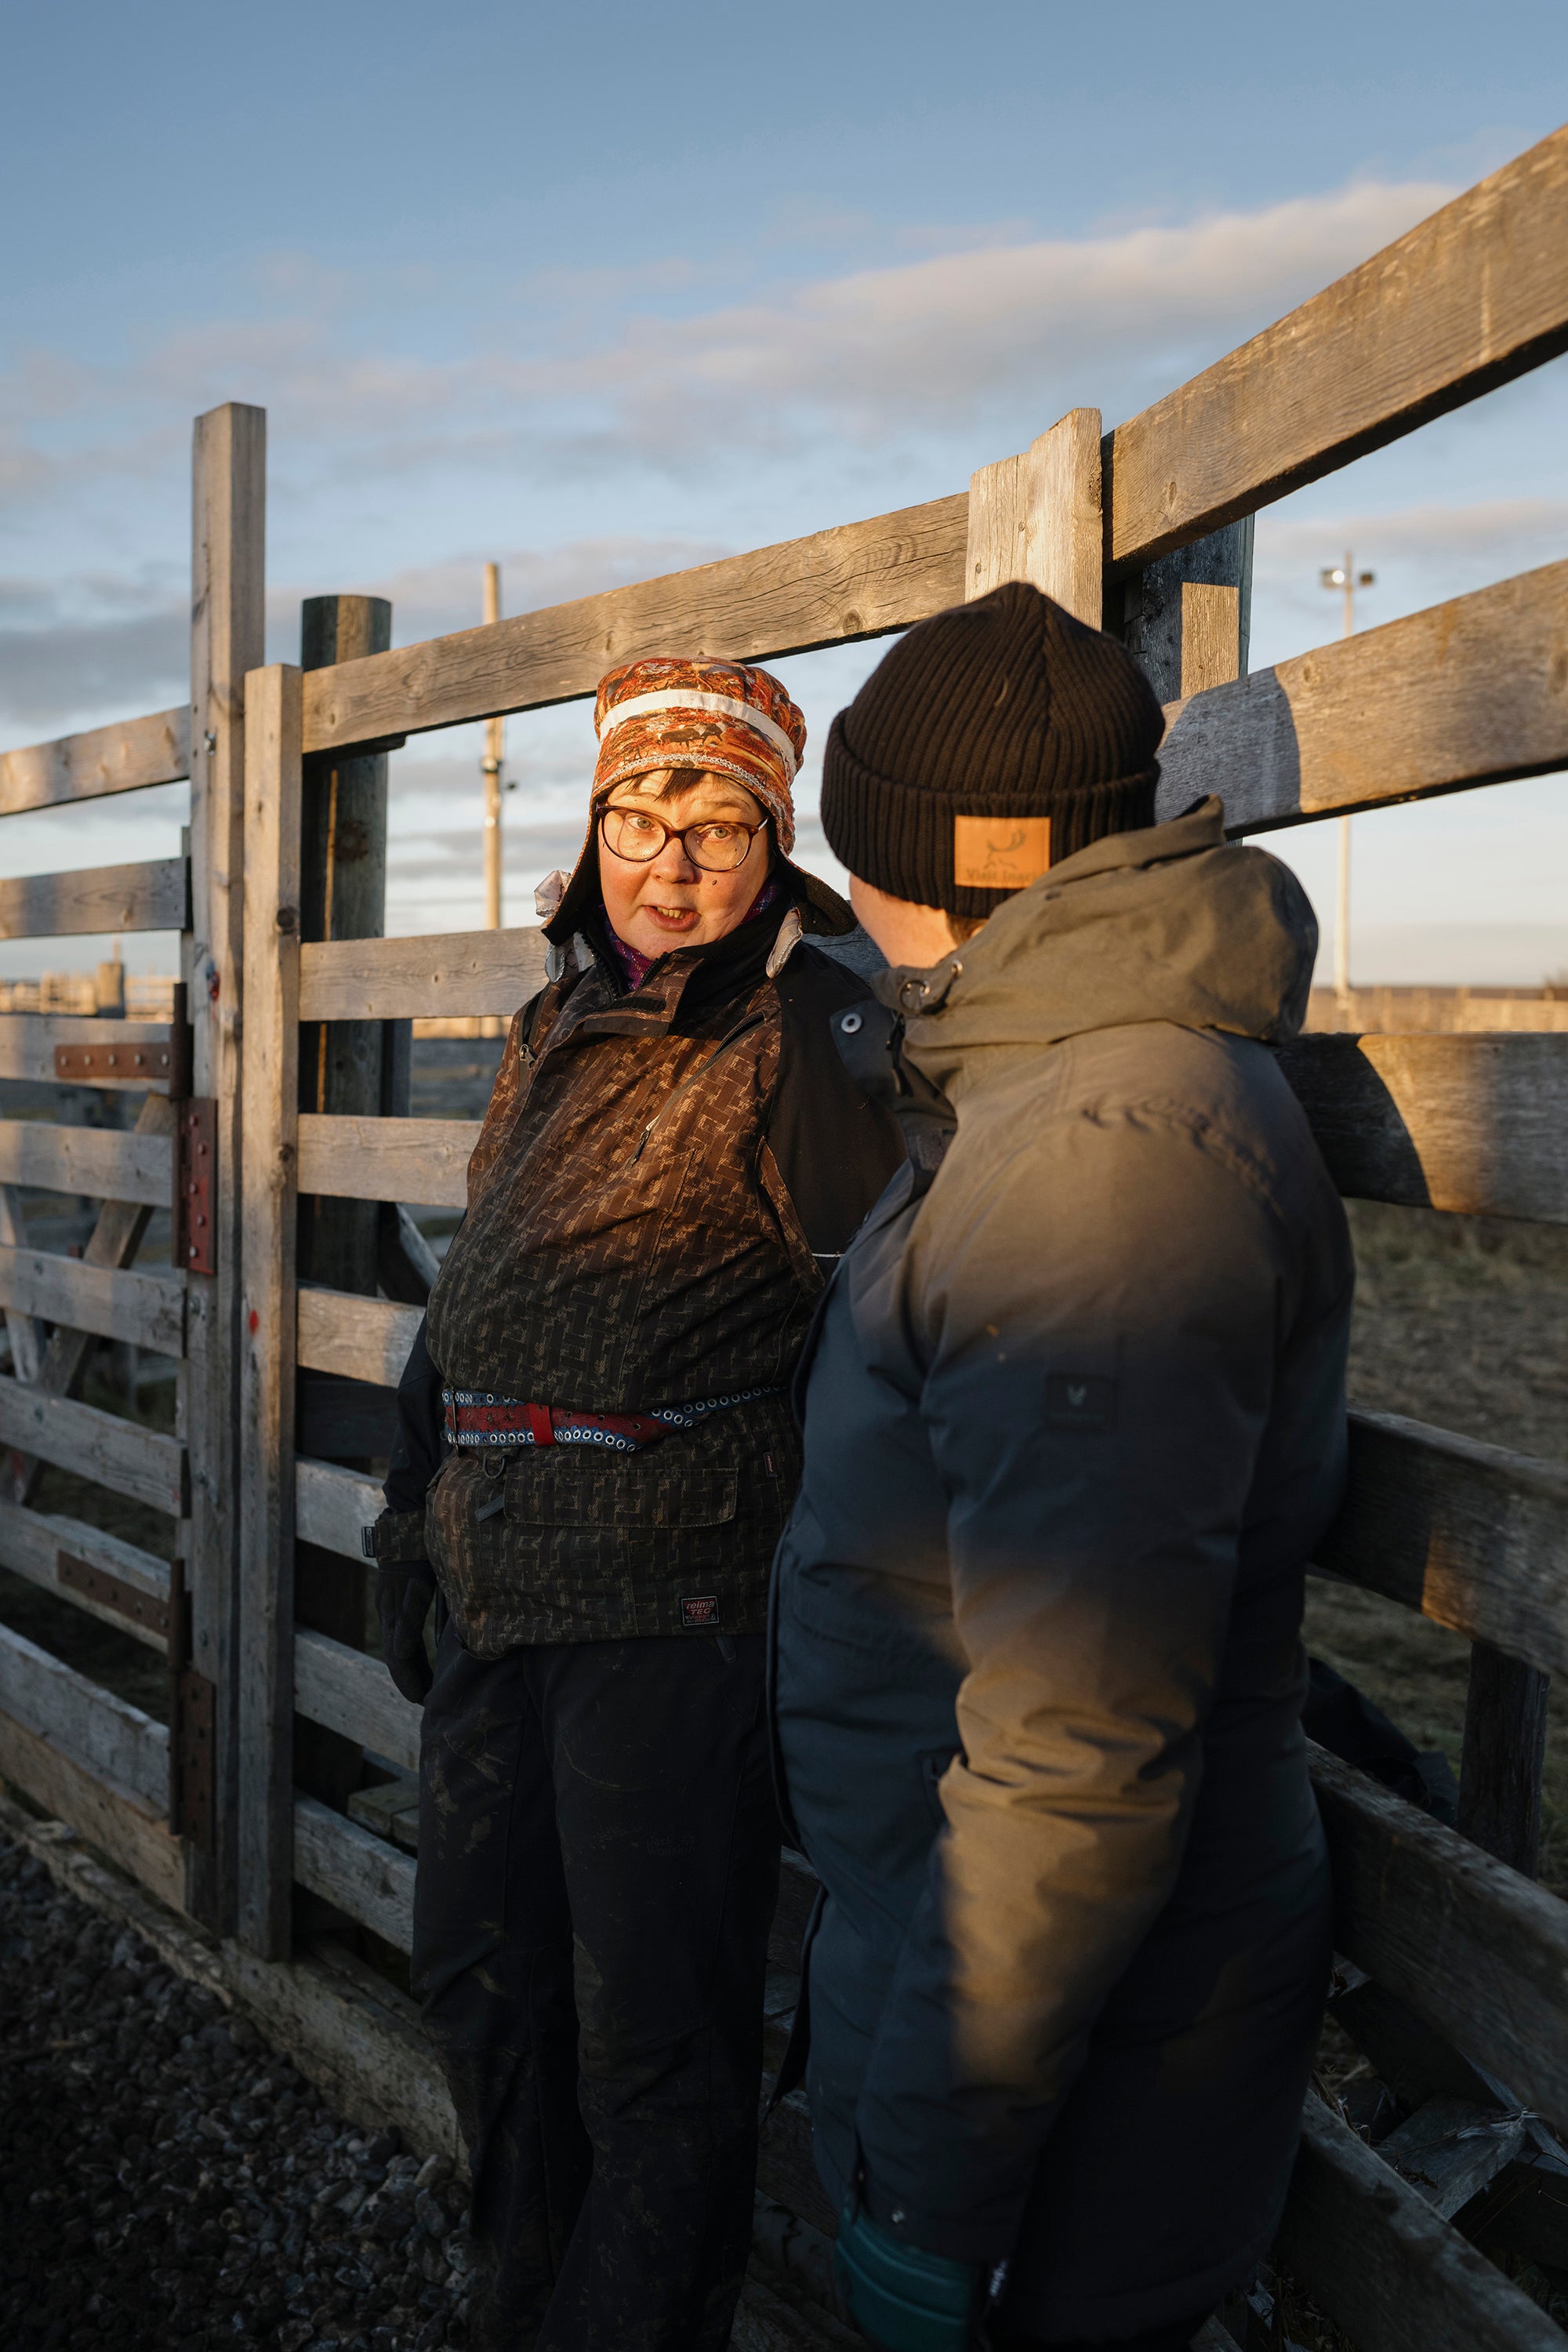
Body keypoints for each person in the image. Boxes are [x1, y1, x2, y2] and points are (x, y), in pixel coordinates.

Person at [770, 583, 1353, 2352]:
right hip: (994, 1973)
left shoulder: (1105, 1158)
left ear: (947, 863)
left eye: (853, 840)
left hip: (1072, 2044)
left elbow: (1077, 1752)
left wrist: (937, 2188)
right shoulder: (1034, 1092)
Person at [365, 655, 904, 2352]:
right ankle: (518, 2305)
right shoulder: (553, 1018)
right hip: (498, 1580)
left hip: (671, 1607)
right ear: (592, 828)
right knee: (480, 1984)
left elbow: (884, 1317)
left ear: (775, 844)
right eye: (637, 818)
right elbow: (472, 1305)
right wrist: (405, 1515)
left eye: (718, 825)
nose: (669, 861)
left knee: (651, 2036)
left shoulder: (811, 1039)